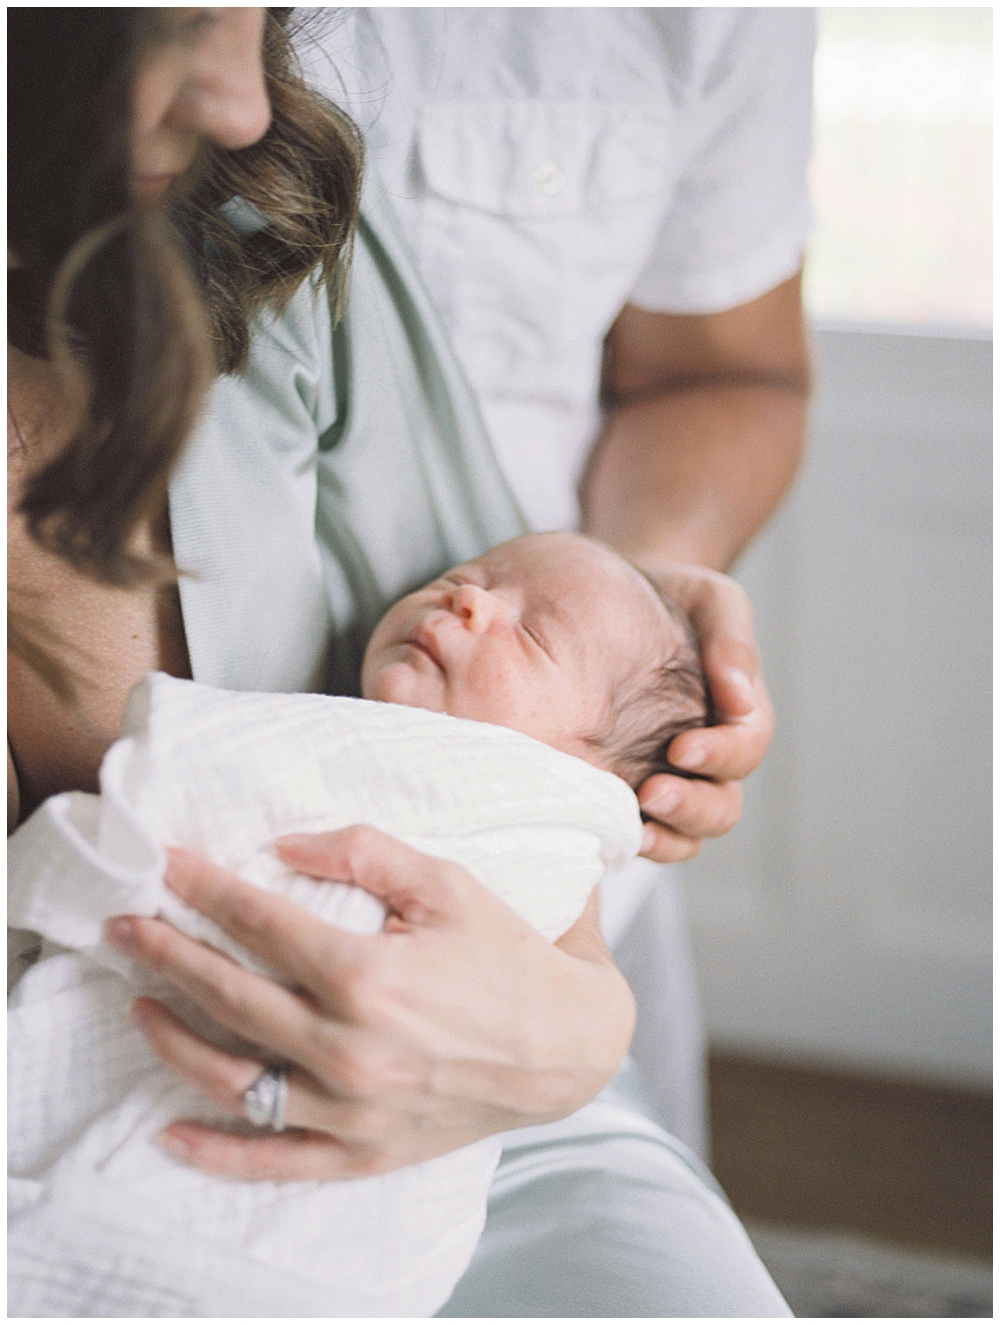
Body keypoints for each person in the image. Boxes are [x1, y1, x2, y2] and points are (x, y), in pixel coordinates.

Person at [8, 8, 790, 1316]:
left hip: (461, 1107)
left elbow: (518, 802)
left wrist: (569, 1030)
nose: (242, 94)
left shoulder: (268, 211)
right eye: (184, 21)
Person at [9, 532, 706, 1317]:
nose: (467, 598)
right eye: (461, 578)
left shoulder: (535, 814)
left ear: (582, 770)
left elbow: (203, 801)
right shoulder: (356, 733)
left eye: (535, 634)